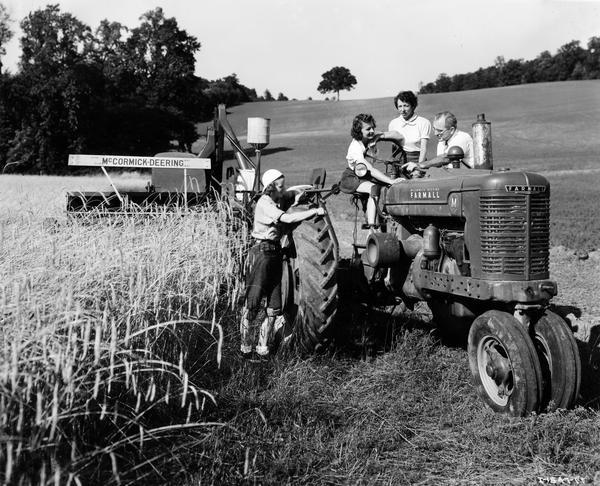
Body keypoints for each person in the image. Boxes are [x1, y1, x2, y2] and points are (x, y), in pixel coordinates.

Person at [240, 169, 325, 359]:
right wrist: (313, 212)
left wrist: (299, 197)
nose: (283, 188)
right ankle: (245, 347)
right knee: (252, 305)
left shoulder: (274, 200)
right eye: (280, 186)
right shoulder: (264, 203)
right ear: (270, 187)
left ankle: (263, 348)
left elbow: (288, 200)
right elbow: (285, 218)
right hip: (261, 253)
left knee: (274, 308)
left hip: (275, 253)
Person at [341, 113, 405, 228]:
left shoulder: (370, 136)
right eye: (368, 129)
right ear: (359, 131)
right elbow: (370, 169)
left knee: (387, 182)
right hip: (352, 177)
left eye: (373, 128)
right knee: (374, 188)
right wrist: (390, 181)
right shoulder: (355, 148)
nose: (372, 131)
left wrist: (381, 136)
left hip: (364, 175)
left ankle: (388, 215)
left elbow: (398, 135)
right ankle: (371, 227)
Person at [388, 91, 431, 165]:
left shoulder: (424, 122)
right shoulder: (393, 123)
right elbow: (394, 148)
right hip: (399, 161)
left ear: (413, 106)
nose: (402, 110)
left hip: (418, 160)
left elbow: (423, 149)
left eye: (406, 106)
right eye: (400, 106)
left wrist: (418, 167)